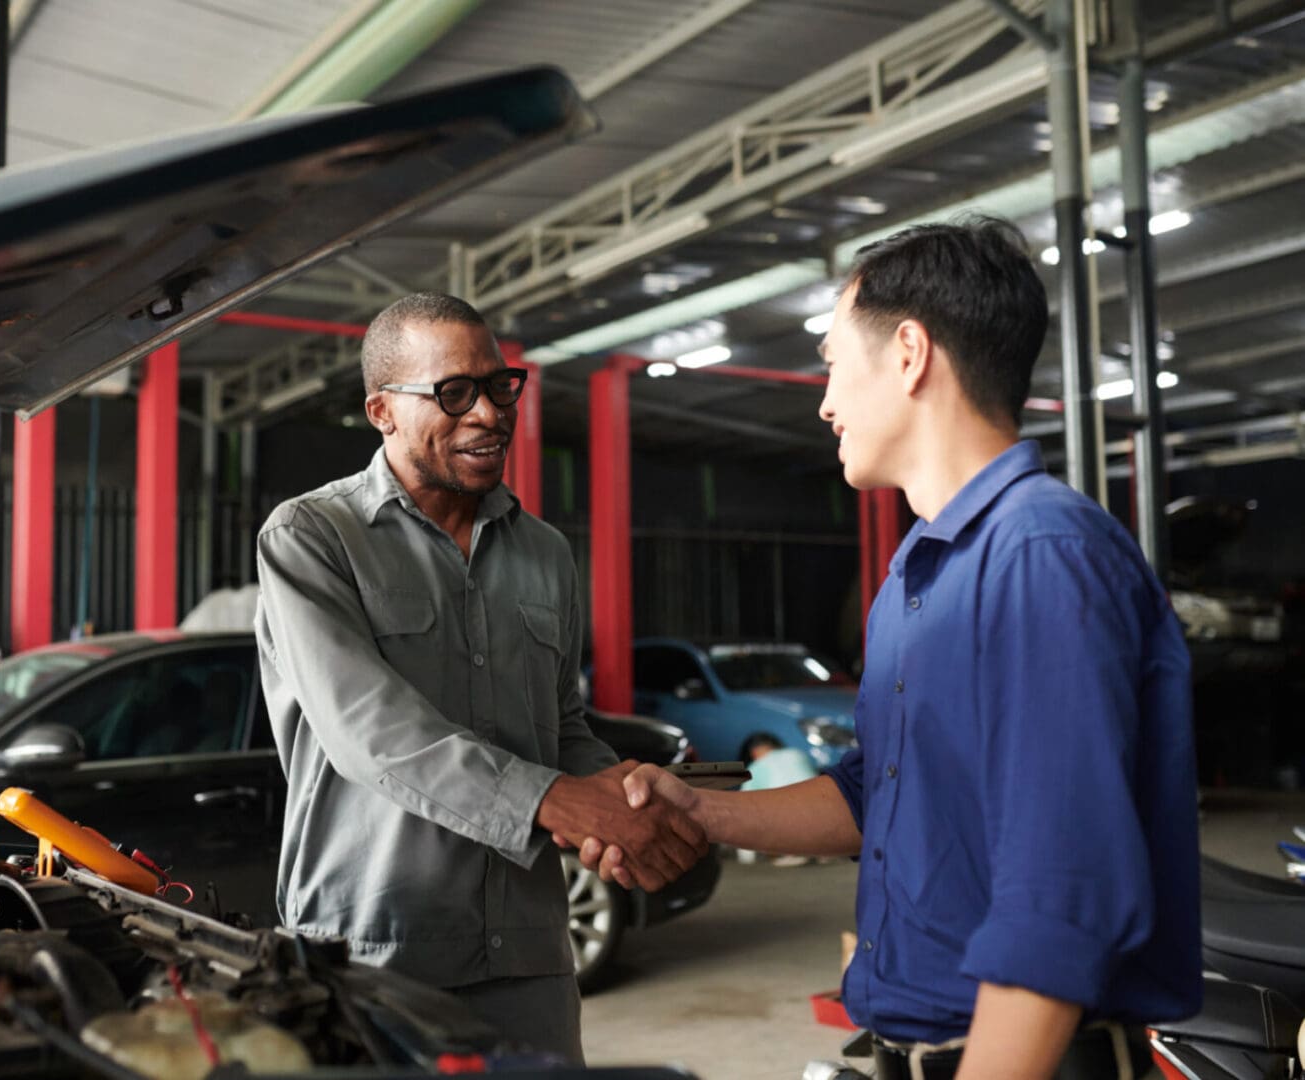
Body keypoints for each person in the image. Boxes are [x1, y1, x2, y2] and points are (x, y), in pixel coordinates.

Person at [583, 218, 1201, 1079]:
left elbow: (1063, 899)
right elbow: (881, 794)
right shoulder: (921, 570)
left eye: (835, 363)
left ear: (909, 353)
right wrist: (700, 810)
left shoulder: (1038, 557)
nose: (826, 400)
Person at [253, 291, 705, 1063]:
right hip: (372, 949)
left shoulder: (544, 554)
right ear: (382, 410)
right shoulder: (313, 538)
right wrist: (565, 803)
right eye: (454, 393)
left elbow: (560, 726)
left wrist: (627, 806)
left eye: (500, 387)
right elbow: (370, 732)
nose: (490, 414)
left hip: (528, 956)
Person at [735, 733, 818, 866]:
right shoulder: (797, 754)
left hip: (790, 824)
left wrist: (745, 855)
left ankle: (789, 852)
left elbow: (741, 809)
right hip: (823, 814)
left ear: (754, 752)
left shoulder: (755, 767)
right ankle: (818, 849)